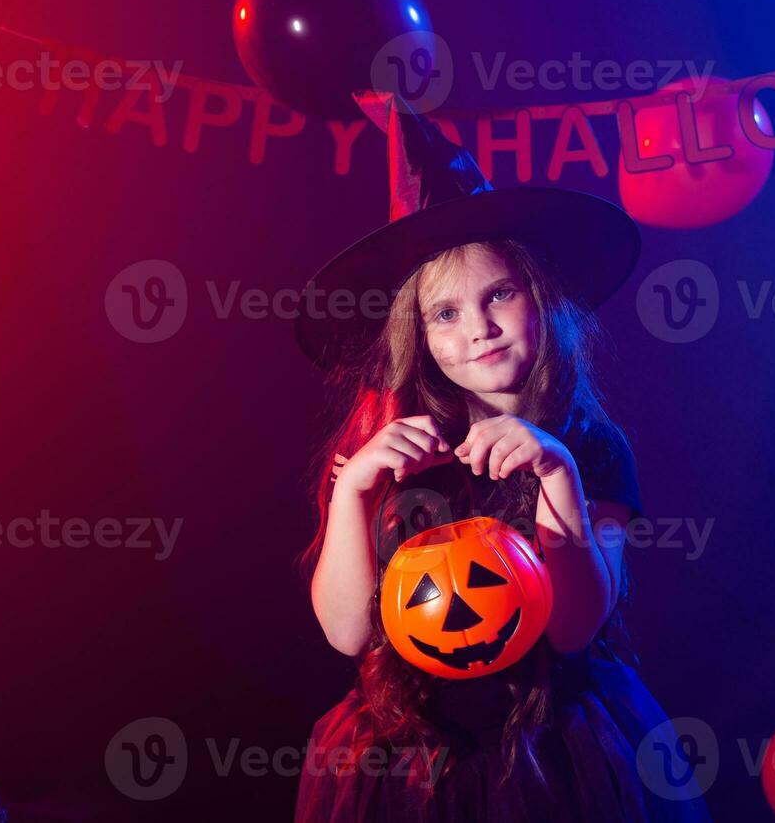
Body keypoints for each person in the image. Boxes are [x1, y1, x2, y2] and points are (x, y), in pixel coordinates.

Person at [292, 96, 713, 822]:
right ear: (416, 337)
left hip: (552, 748)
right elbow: (347, 632)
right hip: (410, 752)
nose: (479, 329)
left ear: (540, 299)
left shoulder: (589, 450)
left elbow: (576, 625)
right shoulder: (395, 452)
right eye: (445, 314)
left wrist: (557, 476)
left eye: (499, 295)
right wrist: (356, 488)